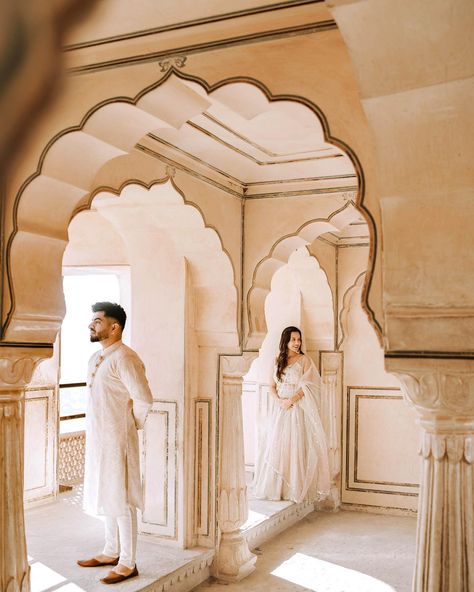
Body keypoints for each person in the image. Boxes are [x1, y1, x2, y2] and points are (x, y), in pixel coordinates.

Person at [77, 302, 153, 585]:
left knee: (122, 498)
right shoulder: (97, 358)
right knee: (107, 493)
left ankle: (128, 562)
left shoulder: (125, 358)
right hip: (100, 439)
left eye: (97, 321)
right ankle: (110, 551)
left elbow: (144, 399)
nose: (91, 325)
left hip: (119, 439)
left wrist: (130, 425)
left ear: (114, 327)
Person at [254, 326, 330, 503]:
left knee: (293, 446)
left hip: (296, 409)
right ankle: (276, 489)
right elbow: (271, 386)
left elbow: (310, 386)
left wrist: (292, 400)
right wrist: (279, 401)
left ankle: (292, 490)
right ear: (285, 341)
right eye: (293, 340)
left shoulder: (304, 360)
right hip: (280, 409)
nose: (297, 343)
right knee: (276, 446)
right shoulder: (277, 360)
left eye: (299, 339)